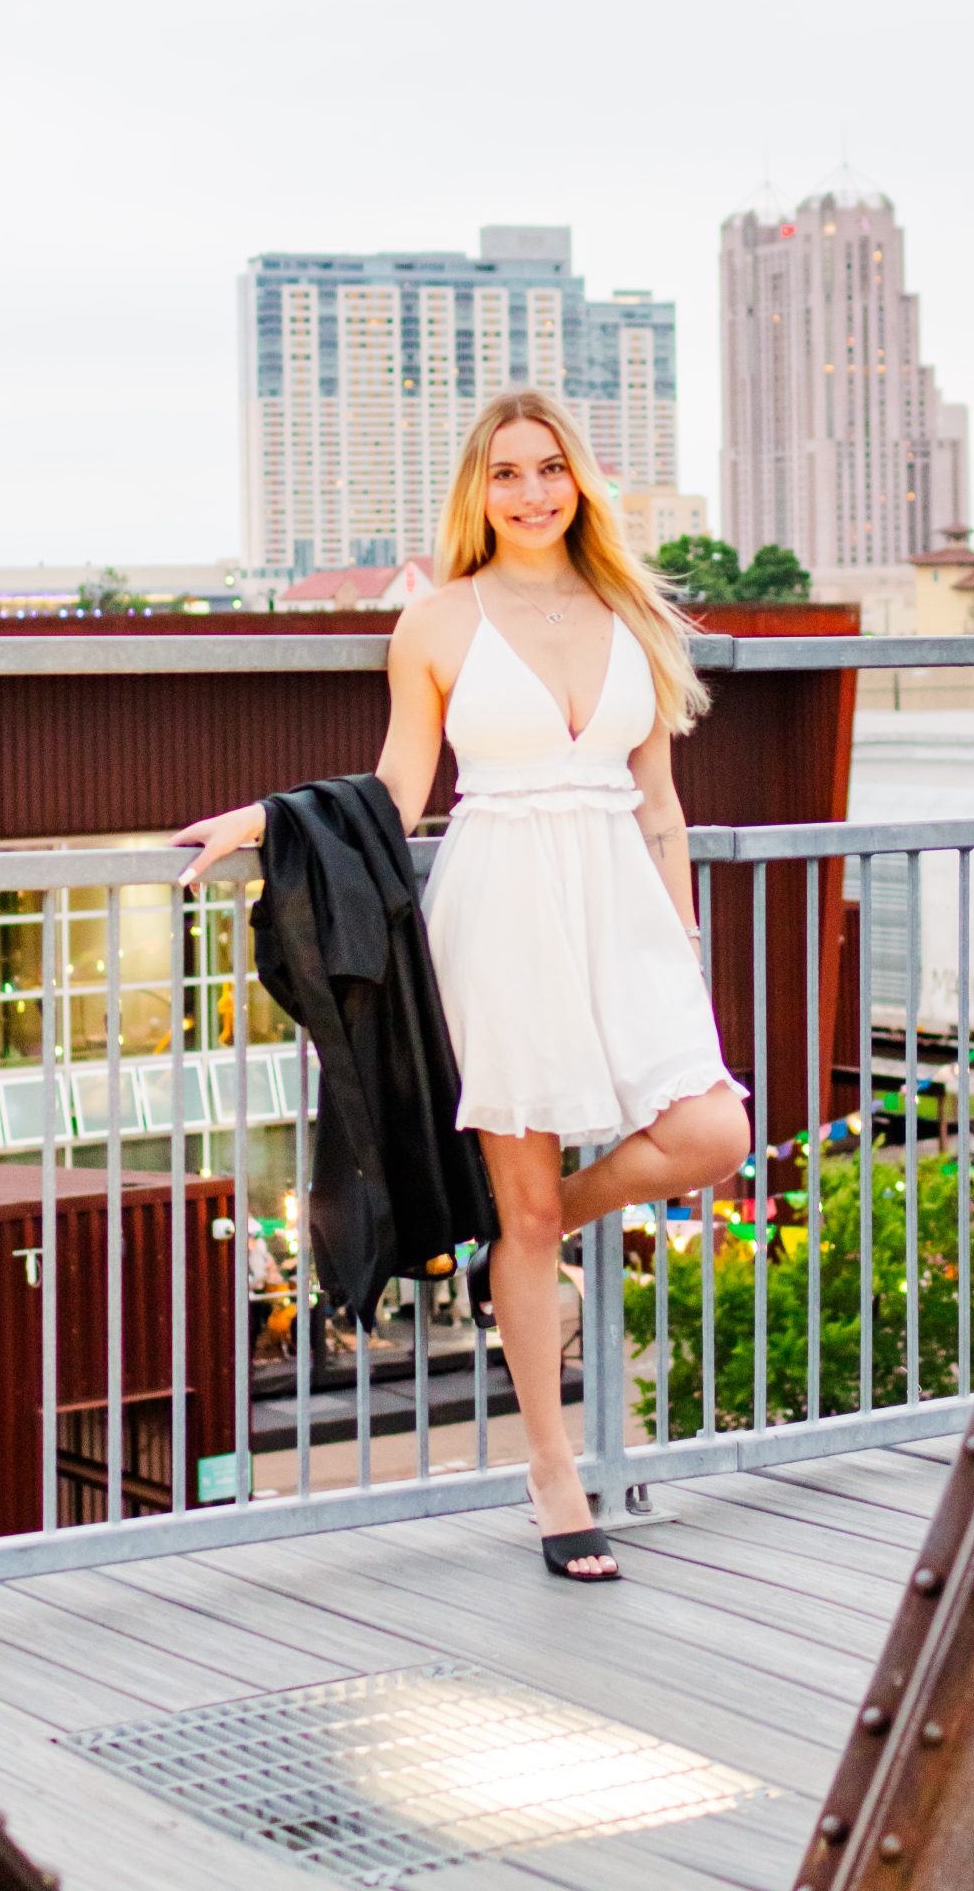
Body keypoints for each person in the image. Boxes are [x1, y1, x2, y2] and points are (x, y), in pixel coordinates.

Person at [175, 387, 750, 1581]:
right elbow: (398, 792)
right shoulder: (438, 622)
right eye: (507, 473)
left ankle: (522, 1230)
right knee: (524, 1208)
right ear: (477, 493)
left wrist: (682, 945)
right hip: (501, 920)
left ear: (581, 481)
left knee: (713, 1133)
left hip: (627, 920)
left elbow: (660, 804)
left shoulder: (638, 614)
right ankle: (553, 1471)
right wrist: (266, 822)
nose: (533, 492)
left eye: (551, 469)